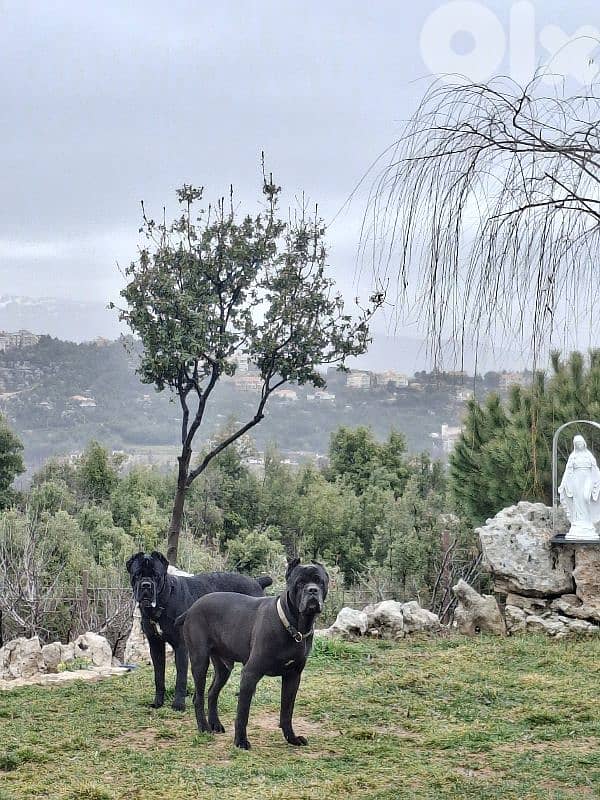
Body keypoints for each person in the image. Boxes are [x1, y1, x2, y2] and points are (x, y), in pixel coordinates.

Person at [558, 434, 600, 541]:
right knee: (578, 501)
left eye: (580, 443)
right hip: (576, 480)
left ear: (584, 444)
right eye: (577, 444)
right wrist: (563, 484)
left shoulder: (588, 455)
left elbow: (595, 469)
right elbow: (568, 471)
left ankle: (588, 520)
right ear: (575, 445)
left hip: (587, 478)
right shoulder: (573, 456)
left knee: (586, 497)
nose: (579, 445)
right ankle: (579, 522)